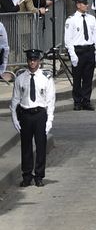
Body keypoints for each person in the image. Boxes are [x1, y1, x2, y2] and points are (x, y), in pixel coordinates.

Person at [11, 49, 54, 187]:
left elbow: (50, 101)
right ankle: (27, 175)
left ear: (39, 61)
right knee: (26, 146)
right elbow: (15, 100)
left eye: (35, 60)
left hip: (40, 114)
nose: (32, 62)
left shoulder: (46, 78)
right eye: (30, 60)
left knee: (41, 146)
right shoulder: (20, 78)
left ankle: (39, 175)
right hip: (26, 114)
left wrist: (49, 120)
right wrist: (14, 119)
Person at [64, 0, 96, 110]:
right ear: (78, 5)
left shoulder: (91, 18)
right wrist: (72, 54)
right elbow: (68, 39)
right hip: (78, 50)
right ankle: (77, 101)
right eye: (84, 4)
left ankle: (86, 100)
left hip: (89, 50)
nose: (87, 6)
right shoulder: (72, 20)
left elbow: (95, 36)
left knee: (88, 78)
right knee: (77, 77)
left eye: (87, 3)